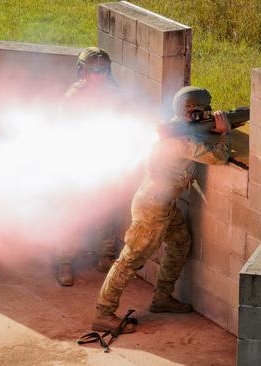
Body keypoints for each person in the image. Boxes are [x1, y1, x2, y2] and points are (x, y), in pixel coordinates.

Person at [91, 86, 232, 333]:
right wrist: (225, 133)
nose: (207, 113)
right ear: (192, 113)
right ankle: (104, 313)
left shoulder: (173, 128)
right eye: (203, 110)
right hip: (153, 208)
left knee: (180, 241)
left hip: (161, 204)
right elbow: (218, 157)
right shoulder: (180, 139)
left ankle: (162, 298)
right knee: (130, 260)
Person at [55, 47, 123, 286]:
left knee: (105, 211)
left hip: (103, 164)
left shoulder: (113, 95)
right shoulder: (72, 98)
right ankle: (64, 262)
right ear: (82, 72)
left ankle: (106, 256)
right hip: (76, 166)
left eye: (103, 71)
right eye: (94, 71)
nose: (99, 75)